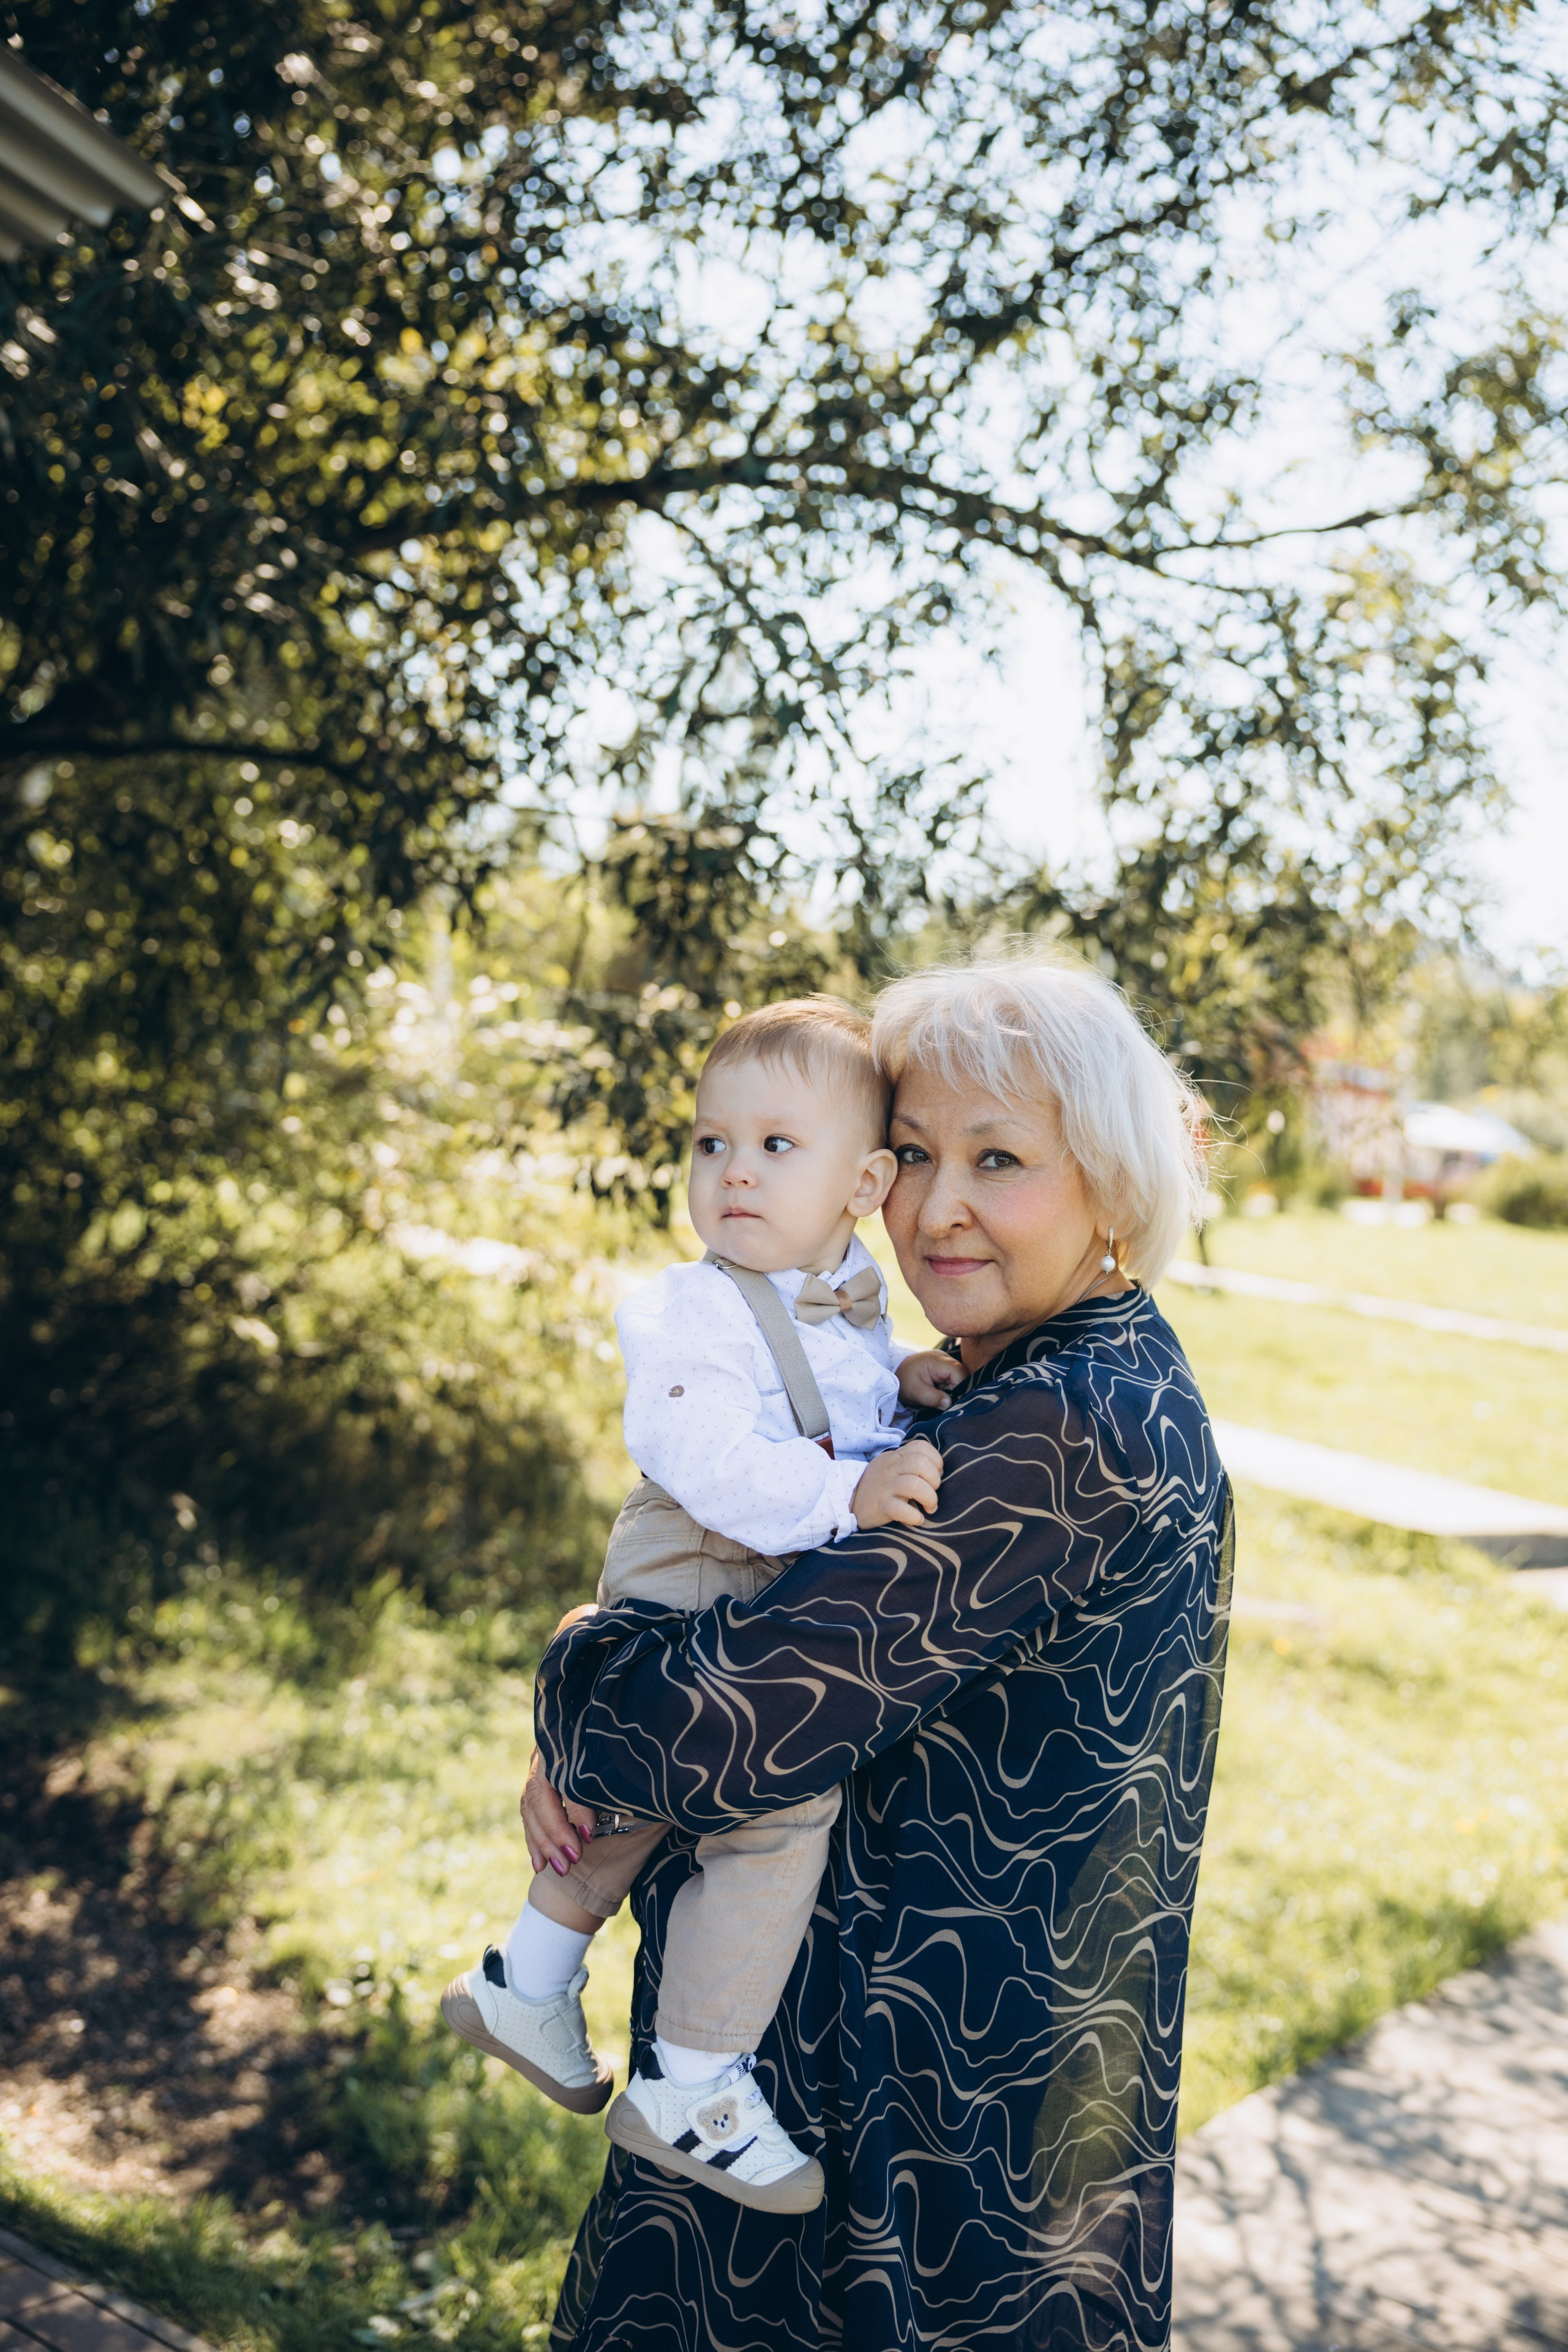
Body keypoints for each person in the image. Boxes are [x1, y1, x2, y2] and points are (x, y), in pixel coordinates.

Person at [529, 950, 1234, 2352]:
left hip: (914, 2165)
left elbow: (712, 1727)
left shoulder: (1063, 1431)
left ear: (1113, 1182)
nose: (939, 1205)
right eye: (911, 1153)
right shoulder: (1032, 1376)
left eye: (1001, 1159)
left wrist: (573, 1677)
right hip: (875, 2106)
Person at [440, 998, 959, 2212]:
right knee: (772, 1809)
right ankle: (694, 2077)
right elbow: (717, 1460)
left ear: (860, 1182)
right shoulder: (686, 1304)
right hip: (699, 1559)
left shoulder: (842, 1288)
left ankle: (527, 1974)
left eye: (776, 1146)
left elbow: (823, 1377)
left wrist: (900, 1377)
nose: (732, 1171)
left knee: (635, 1799)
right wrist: (851, 1492)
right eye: (709, 1143)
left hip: (751, 1565)